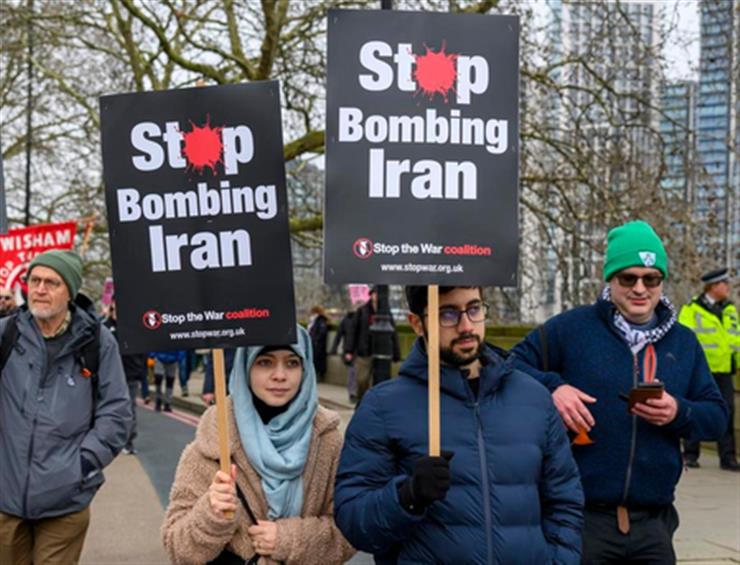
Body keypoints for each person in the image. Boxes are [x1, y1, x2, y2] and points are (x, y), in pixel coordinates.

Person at [511, 220, 728, 564]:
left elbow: (716, 418)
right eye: (628, 278)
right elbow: (509, 365)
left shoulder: (684, 343)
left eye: (651, 279)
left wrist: (678, 412)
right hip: (582, 518)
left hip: (653, 523)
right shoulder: (571, 328)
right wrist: (554, 388)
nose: (640, 288)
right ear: (610, 279)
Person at [334, 285, 584, 563]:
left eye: (474, 309)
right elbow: (353, 521)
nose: (466, 326)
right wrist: (408, 496)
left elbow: (564, 500)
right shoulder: (382, 406)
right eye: (447, 314)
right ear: (416, 323)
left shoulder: (534, 397)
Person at [162, 325, 355, 565]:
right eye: (265, 362)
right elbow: (177, 547)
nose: (280, 375)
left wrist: (288, 540)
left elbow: (351, 530)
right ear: (246, 367)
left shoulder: (328, 441)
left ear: (306, 368)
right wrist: (211, 515)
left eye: (292, 363)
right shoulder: (214, 442)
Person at [0, 250, 131, 564]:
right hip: (4, 499)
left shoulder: (97, 342)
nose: (40, 289)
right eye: (35, 280)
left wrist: (83, 465)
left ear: (70, 291)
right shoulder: (6, 333)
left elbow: (116, 412)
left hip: (65, 501)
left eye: (52, 283)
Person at [679, 267, 740, 471]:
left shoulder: (730, 310)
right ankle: (690, 454)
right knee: (695, 409)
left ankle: (728, 457)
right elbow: (684, 339)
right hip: (700, 370)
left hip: (724, 370)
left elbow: (736, 340)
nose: (728, 287)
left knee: (727, 411)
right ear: (713, 286)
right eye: (725, 283)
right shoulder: (692, 309)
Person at [104, 296, 148, 454]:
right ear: (112, 304)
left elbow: (142, 353)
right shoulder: (104, 327)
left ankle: (128, 441)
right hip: (109, 376)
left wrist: (144, 382)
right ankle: (110, 439)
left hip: (130, 375)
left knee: (129, 410)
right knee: (110, 409)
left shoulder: (133, 328)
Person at [344, 286, 400, 403]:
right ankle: (362, 399)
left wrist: (396, 353)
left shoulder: (386, 312)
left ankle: (374, 403)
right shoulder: (362, 311)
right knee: (362, 379)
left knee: (380, 381)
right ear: (371, 295)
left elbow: (393, 333)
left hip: (381, 352)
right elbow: (353, 331)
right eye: (375, 294)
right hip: (364, 352)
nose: (377, 296)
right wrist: (349, 350)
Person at [331, 307, 357, 402]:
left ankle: (354, 392)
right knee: (352, 372)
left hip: (359, 350)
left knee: (356, 373)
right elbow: (339, 335)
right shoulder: (346, 320)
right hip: (351, 350)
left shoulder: (360, 319)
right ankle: (352, 392)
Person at [308, 305, 329, 380]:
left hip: (318, 345)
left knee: (317, 361)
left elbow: (322, 333)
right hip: (315, 344)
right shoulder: (315, 320)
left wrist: (315, 340)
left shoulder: (320, 321)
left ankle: (319, 376)